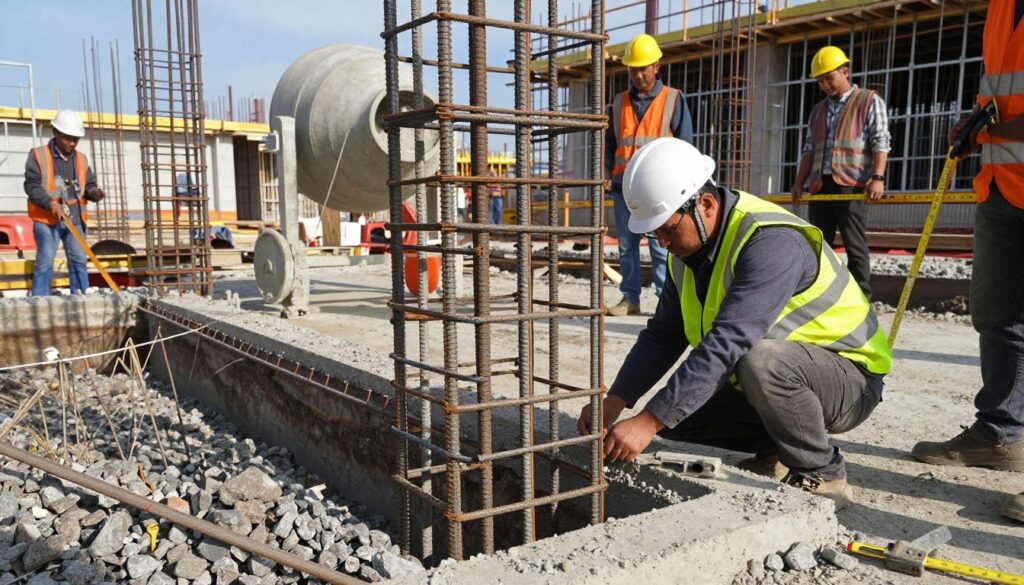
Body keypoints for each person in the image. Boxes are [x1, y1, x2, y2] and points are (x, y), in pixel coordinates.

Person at [579, 138, 892, 508]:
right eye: (654, 233)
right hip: (788, 376)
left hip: (850, 381)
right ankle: (782, 447)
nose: (661, 243)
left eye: (666, 229)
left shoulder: (771, 242)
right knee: (682, 416)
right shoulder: (689, 247)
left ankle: (823, 472)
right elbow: (664, 335)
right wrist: (616, 401)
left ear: (706, 205)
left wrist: (648, 422)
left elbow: (729, 342)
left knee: (756, 362)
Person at [911, 0, 1024, 523]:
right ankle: (1000, 432)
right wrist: (980, 121)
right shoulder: (1001, 6)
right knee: (995, 313)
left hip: (1006, 164)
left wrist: (995, 127)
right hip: (1002, 184)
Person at [789, 46, 890, 300]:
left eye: (829, 78)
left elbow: (880, 142)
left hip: (852, 185)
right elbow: (809, 150)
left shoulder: (868, 100)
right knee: (817, 245)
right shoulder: (818, 110)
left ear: (845, 72)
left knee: (855, 246)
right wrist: (798, 183)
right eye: (820, 80)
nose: (824, 85)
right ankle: (817, 295)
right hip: (820, 186)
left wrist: (877, 177)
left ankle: (861, 299)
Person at [605, 33, 694, 316]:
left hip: (661, 190)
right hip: (623, 188)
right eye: (633, 68)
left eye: (643, 67)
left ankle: (666, 302)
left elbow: (685, 144)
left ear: (657, 66)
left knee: (662, 246)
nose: (638, 74)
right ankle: (630, 299)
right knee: (626, 247)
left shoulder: (673, 99)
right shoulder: (618, 103)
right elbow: (610, 145)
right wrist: (607, 175)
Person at [24, 110, 104, 296]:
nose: (72, 143)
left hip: (75, 220)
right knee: (45, 262)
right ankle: (39, 301)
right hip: (47, 220)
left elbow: (88, 184)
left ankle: (81, 298)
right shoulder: (38, 155)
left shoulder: (81, 159)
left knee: (78, 261)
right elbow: (32, 185)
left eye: (75, 139)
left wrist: (94, 192)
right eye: (68, 138)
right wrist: (49, 203)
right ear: (55, 132)